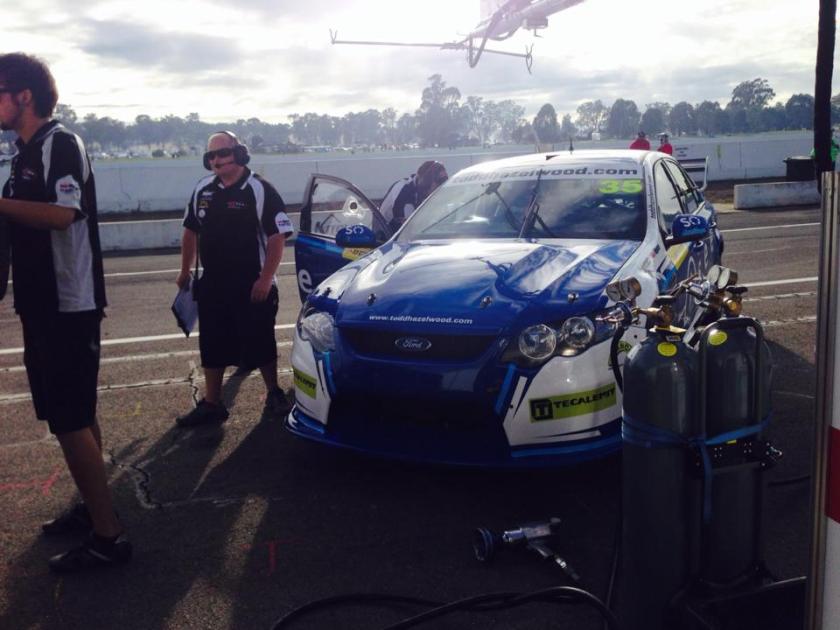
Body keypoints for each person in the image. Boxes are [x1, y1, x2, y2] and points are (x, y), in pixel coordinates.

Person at [0, 53, 131, 572]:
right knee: (75, 412)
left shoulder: (62, 144)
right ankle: (91, 506)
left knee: (70, 417)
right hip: (40, 303)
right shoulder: (21, 154)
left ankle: (109, 537)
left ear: (24, 95)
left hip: (68, 302)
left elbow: (62, 214)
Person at [175, 131, 294, 427]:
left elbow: (277, 236)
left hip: (252, 282)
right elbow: (190, 230)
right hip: (214, 283)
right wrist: (185, 270)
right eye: (211, 155)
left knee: (260, 340)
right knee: (212, 344)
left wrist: (266, 279)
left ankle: (274, 392)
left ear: (239, 154)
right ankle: (213, 404)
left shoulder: (259, 188)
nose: (216, 160)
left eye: (222, 153)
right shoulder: (202, 189)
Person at [379, 160, 448, 231]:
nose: (439, 185)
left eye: (443, 181)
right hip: (387, 237)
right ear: (426, 181)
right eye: (438, 181)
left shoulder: (426, 191)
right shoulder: (404, 190)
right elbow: (408, 228)